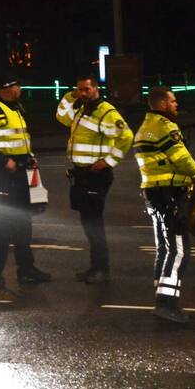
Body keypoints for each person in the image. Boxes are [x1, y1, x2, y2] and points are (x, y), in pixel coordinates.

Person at [133, 87, 195, 323]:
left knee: (164, 249)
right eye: (173, 101)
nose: (176, 105)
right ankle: (167, 304)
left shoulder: (145, 127)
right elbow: (182, 160)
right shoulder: (165, 127)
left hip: (154, 194)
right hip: (170, 194)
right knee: (178, 251)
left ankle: (161, 298)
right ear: (162, 103)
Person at [56, 73, 133, 284]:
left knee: (94, 224)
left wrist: (108, 161)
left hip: (96, 175)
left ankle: (101, 269)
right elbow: (61, 116)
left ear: (96, 89)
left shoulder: (105, 112)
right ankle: (95, 267)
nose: (82, 93)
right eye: (79, 89)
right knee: (88, 223)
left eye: (86, 89)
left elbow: (126, 137)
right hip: (82, 175)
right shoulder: (82, 109)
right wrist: (71, 96)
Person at [0, 79, 51, 288]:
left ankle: (26, 269)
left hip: (18, 172)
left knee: (23, 222)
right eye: (17, 87)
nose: (21, 90)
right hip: (3, 176)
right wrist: (4, 161)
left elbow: (18, 140)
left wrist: (27, 157)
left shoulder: (15, 109)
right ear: (8, 89)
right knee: (1, 226)